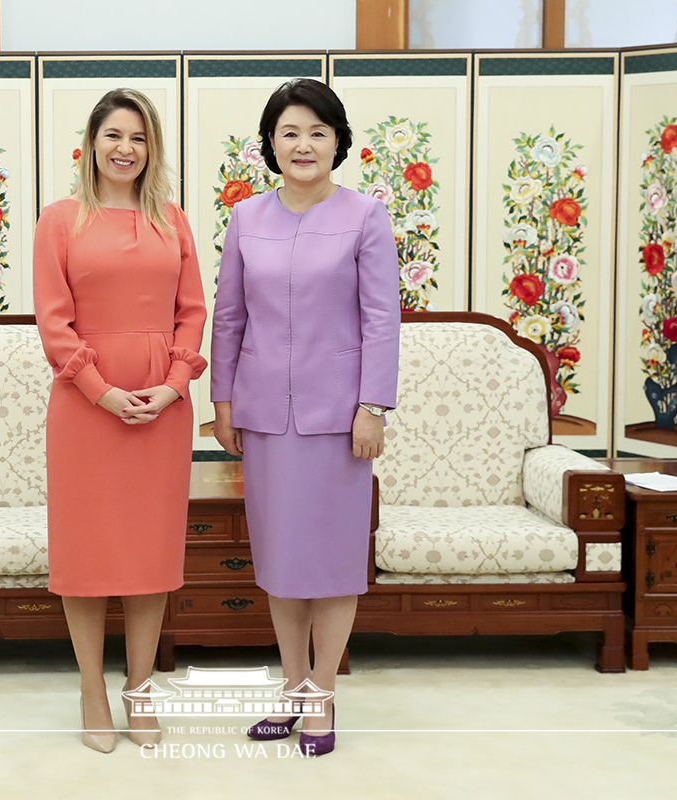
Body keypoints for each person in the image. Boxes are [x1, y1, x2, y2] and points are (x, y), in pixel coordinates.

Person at [210, 78, 400, 757]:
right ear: (270, 143)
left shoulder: (366, 217)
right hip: (263, 418)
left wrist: (372, 406)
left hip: (340, 420)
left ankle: (322, 694)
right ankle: (292, 689)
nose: (303, 144)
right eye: (289, 132)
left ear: (338, 142)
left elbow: (382, 320)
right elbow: (229, 316)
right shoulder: (245, 219)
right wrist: (223, 402)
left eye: (317, 132)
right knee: (282, 563)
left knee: (334, 564)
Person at [33, 88, 206, 753]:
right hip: (85, 412)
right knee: (86, 557)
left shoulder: (173, 221)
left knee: (148, 557)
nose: (125, 149)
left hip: (162, 412)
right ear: (91, 143)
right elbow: (53, 320)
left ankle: (139, 692)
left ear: (151, 148)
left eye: (137, 138)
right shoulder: (61, 220)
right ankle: (91, 691)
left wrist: (172, 386)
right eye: (113, 136)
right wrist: (102, 391)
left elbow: (192, 312)